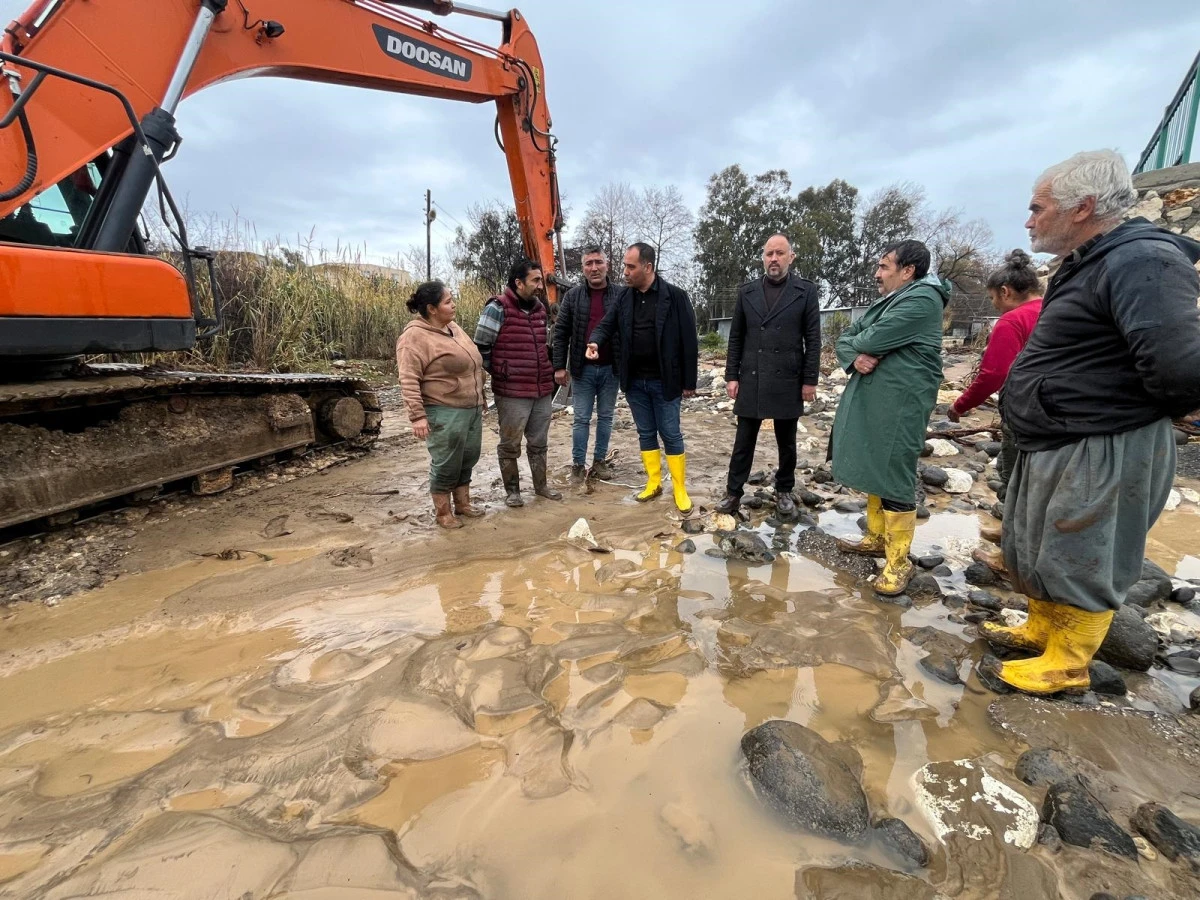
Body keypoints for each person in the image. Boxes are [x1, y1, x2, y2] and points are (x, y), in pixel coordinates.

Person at [981, 150, 1200, 696]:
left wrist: (1111, 413)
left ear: (1081, 207)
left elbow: (1178, 369)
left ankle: (1069, 661)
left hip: (1101, 443)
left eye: (1038, 207)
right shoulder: (1091, 261)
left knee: (1082, 544)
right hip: (1060, 437)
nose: (1028, 220)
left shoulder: (1143, 260)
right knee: (1039, 542)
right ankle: (1042, 629)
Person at [832, 240, 950, 596]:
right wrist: (854, 355)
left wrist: (857, 344)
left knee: (895, 471)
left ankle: (899, 562)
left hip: (901, 403)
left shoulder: (921, 300)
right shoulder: (894, 298)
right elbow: (847, 338)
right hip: (879, 400)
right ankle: (877, 537)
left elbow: (872, 336)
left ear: (908, 270)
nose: (877, 273)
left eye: (884, 266)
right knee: (874, 463)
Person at [947, 250, 1043, 572]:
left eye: (993, 299)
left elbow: (993, 374)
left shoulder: (1012, 320)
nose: (994, 305)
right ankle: (1010, 535)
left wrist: (960, 406)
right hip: (1055, 417)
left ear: (1005, 292)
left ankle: (1010, 558)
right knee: (1036, 482)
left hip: (1024, 413)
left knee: (1012, 477)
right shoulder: (1054, 310)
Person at [586, 242, 699, 513]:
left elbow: (689, 341)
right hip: (635, 381)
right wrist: (595, 341)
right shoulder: (624, 298)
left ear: (648, 267)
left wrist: (689, 382)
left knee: (670, 433)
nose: (624, 272)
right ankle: (653, 482)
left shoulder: (676, 296)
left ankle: (679, 488)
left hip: (666, 381)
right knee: (646, 432)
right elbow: (607, 324)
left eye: (630, 266)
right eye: (625, 265)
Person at [716, 233, 821, 517]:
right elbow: (736, 336)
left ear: (791, 257)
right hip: (752, 375)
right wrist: (731, 375)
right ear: (763, 258)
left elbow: (813, 338)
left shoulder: (805, 291)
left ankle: (784, 489)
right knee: (743, 440)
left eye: (779, 253)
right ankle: (733, 492)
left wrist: (810, 379)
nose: (773, 259)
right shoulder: (747, 291)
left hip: (788, 375)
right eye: (769, 254)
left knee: (786, 441)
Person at [396, 280, 487, 529]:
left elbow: (473, 362)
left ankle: (463, 504)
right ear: (431, 308)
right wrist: (417, 416)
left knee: (468, 457)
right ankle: (443, 513)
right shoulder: (413, 337)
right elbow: (408, 378)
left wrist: (481, 397)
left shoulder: (453, 328)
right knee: (446, 461)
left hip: (471, 407)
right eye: (448, 301)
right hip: (443, 409)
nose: (453, 304)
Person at [474, 258, 563, 508]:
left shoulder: (540, 310)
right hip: (512, 392)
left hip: (541, 389)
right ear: (518, 282)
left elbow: (544, 346)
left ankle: (541, 486)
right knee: (510, 443)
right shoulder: (497, 308)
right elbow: (480, 348)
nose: (539, 286)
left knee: (538, 442)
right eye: (535, 280)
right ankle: (513, 491)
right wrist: (502, 372)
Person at [552, 245, 619, 482]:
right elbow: (560, 333)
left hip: (612, 369)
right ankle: (578, 465)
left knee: (606, 416)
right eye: (589, 264)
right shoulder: (573, 297)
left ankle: (600, 462)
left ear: (607, 265)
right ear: (583, 269)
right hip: (583, 370)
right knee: (581, 418)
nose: (594, 268)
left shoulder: (620, 295)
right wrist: (559, 366)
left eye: (598, 262)